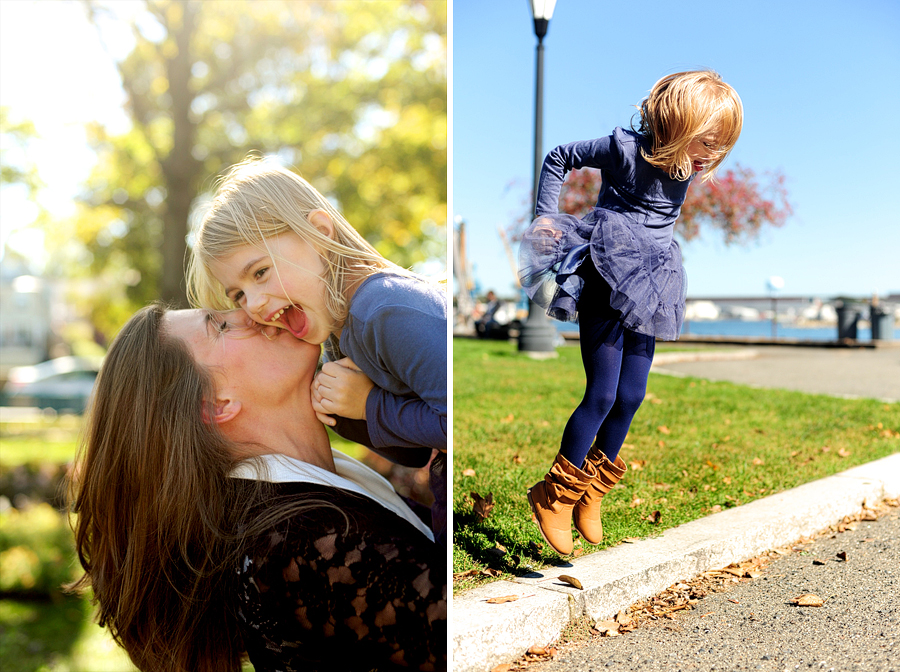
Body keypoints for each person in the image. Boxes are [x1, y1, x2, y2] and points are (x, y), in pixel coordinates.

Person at [67, 304, 446, 671]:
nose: (254, 312)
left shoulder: (309, 493)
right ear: (216, 405)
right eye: (220, 326)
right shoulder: (294, 542)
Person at [519, 70, 743, 555]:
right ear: (677, 121)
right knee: (600, 394)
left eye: (720, 146)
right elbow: (561, 156)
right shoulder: (623, 148)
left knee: (632, 395)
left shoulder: (685, 167)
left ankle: (591, 490)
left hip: (655, 281)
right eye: (708, 140)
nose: (711, 155)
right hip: (606, 269)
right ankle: (554, 493)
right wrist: (543, 214)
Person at [187, 159, 448, 546]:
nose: (254, 305)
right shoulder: (341, 329)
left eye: (260, 272)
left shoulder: (384, 309)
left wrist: (370, 406)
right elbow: (413, 454)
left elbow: (452, 424)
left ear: (319, 233)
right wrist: (343, 415)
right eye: (238, 295)